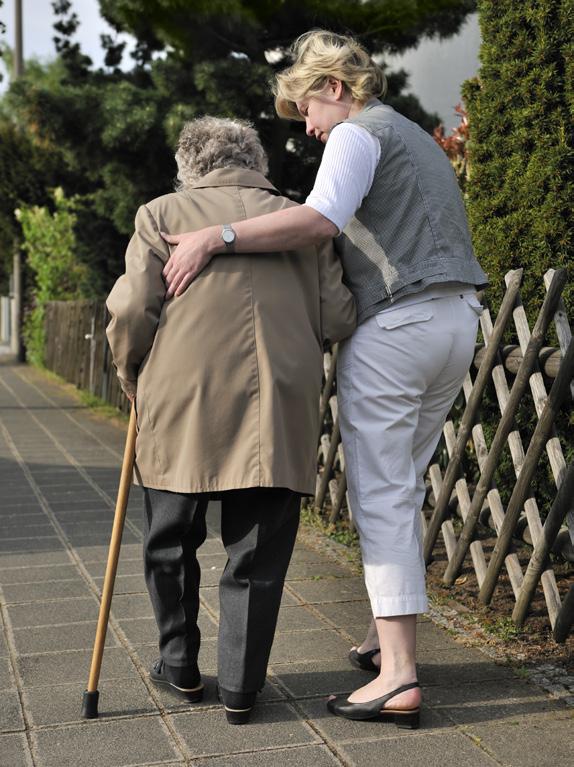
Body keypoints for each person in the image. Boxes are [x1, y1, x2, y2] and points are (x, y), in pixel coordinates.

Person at [158, 31, 489, 729]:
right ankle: (382, 637)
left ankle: (398, 675)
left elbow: (315, 222)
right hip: (459, 319)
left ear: (334, 87)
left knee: (381, 494)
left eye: (305, 107)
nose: (305, 127)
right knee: (405, 478)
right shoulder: (416, 137)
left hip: (397, 326)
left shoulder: (356, 133)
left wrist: (215, 237)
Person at [105, 116, 356, 724]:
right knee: (257, 553)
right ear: (258, 162)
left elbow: (134, 309)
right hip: (278, 398)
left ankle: (180, 667)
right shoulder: (304, 221)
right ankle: (242, 689)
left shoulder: (161, 214)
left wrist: (129, 374)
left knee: (169, 539)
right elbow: (339, 317)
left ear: (190, 165)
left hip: (181, 398)